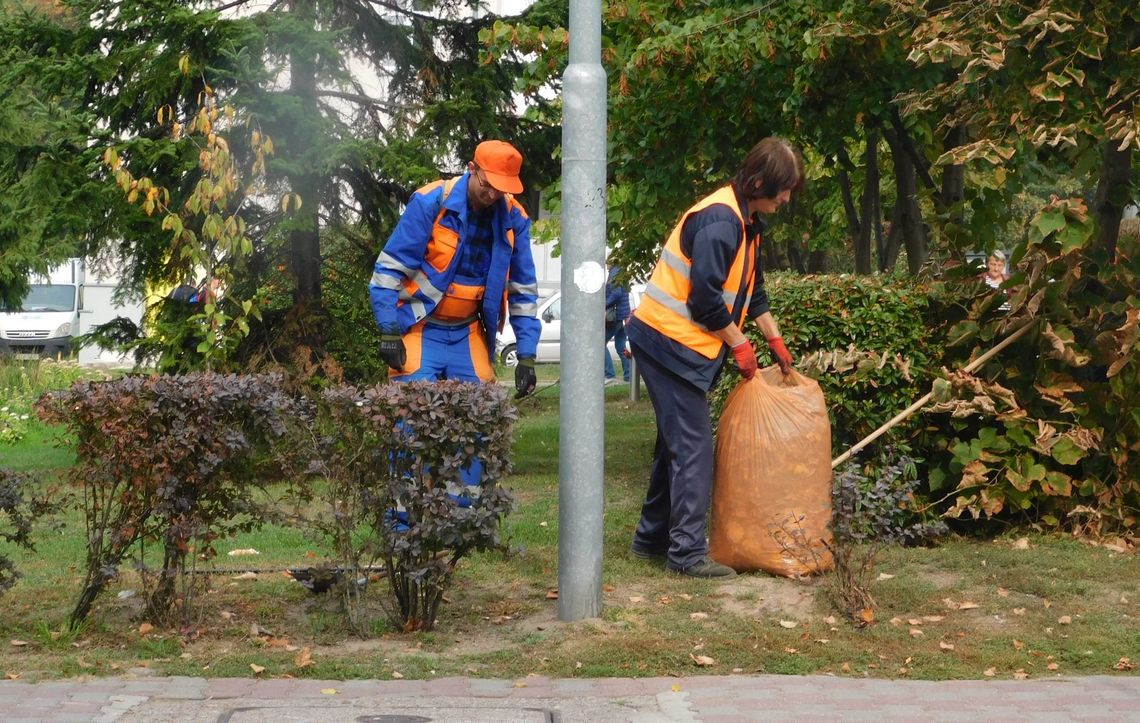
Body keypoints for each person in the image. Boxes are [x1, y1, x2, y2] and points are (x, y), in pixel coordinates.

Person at [626, 136, 802, 579]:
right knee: (694, 447)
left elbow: (753, 293)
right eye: (783, 189)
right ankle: (686, 554)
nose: (786, 198)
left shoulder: (747, 223)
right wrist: (740, 344)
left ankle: (652, 538)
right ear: (759, 182)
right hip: (667, 343)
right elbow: (705, 302)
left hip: (674, 343)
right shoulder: (721, 221)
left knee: (675, 444)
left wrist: (775, 342)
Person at [368, 139, 542, 491]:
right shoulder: (430, 202)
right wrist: (388, 329)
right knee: (409, 421)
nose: (493, 195)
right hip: (420, 328)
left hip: (467, 333)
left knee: (479, 420)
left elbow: (523, 289)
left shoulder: (515, 218)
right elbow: (388, 271)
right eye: (487, 184)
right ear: (471, 169)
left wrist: (526, 355)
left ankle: (463, 511)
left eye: (501, 188)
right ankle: (403, 518)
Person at [603, 265, 632, 385]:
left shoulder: (615, 273)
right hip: (622, 315)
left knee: (600, 344)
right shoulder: (622, 272)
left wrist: (604, 304)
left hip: (614, 316)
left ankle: (610, 375)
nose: (606, 265)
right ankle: (629, 376)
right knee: (621, 347)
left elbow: (616, 293)